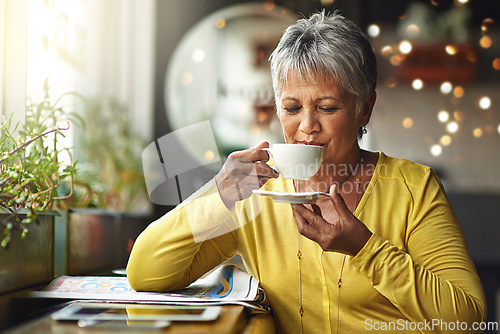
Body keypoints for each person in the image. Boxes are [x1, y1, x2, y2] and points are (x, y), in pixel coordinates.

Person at [127, 11, 486, 333]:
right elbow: (144, 273)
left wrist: (364, 249)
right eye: (291, 107)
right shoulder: (257, 196)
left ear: (365, 109)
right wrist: (218, 192)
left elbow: (467, 319)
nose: (307, 126)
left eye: (327, 107)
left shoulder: (412, 187)